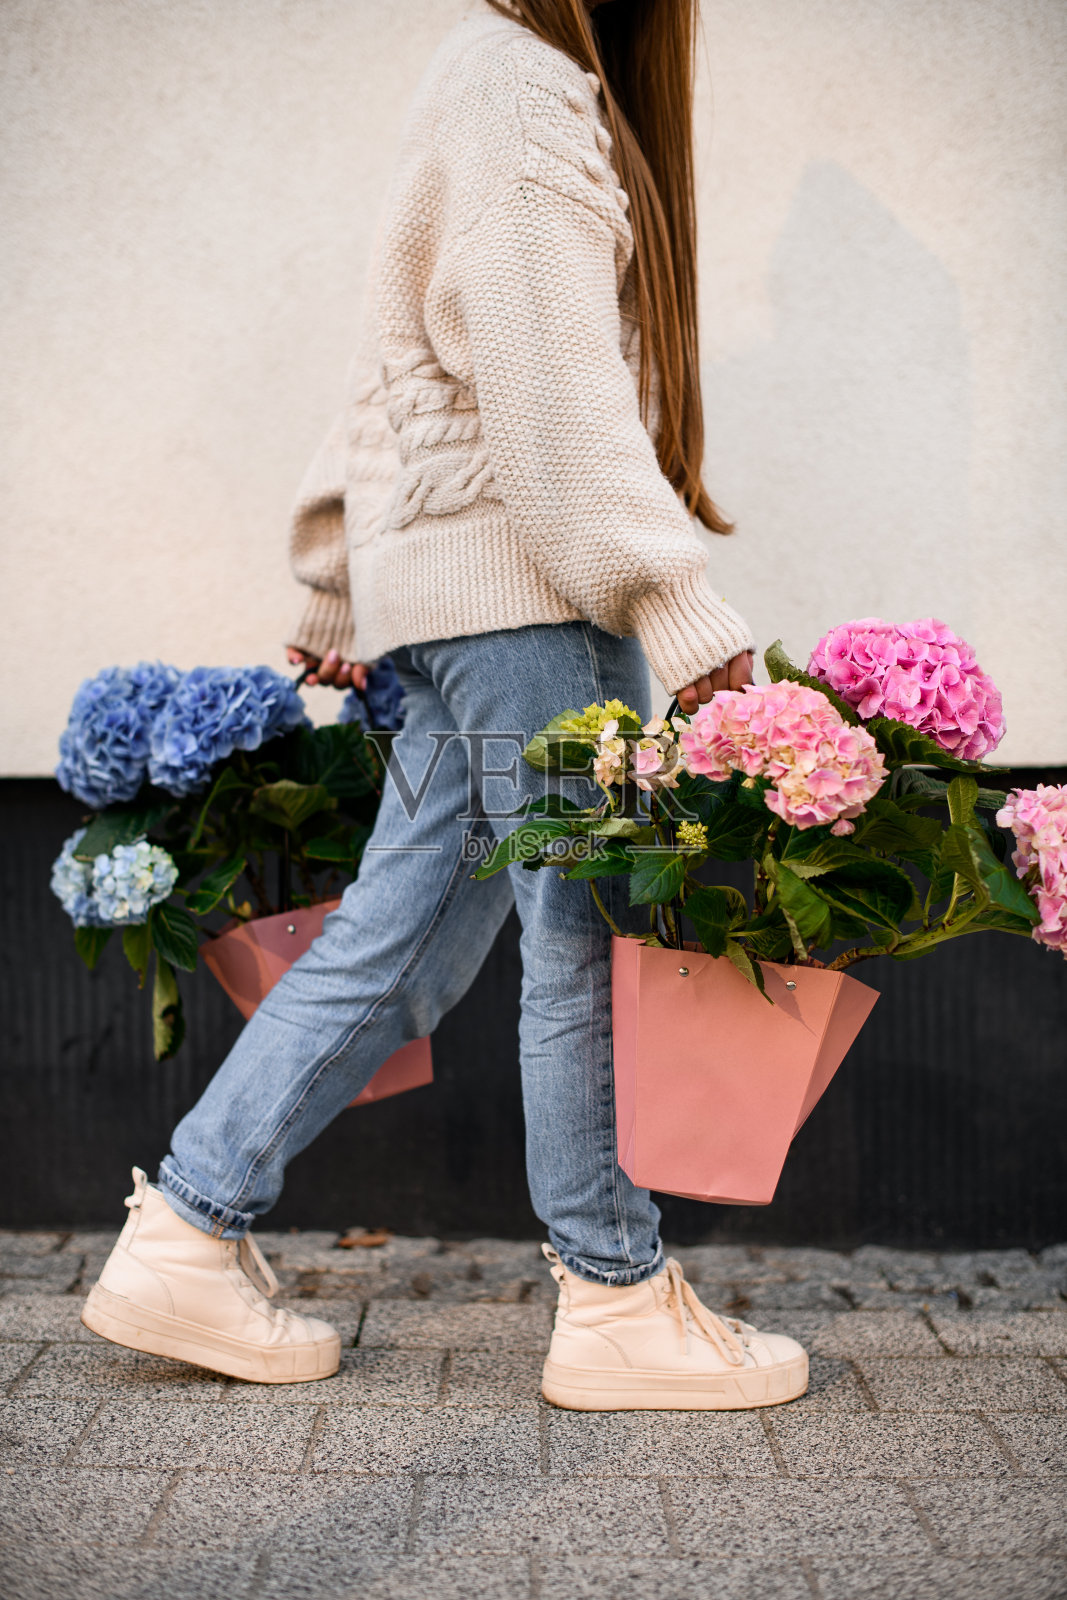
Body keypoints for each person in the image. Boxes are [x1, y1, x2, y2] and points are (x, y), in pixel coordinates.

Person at [82, 0, 807, 1410]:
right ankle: (611, 1300)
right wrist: (680, 609)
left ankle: (186, 1228)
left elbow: (394, 358)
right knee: (579, 930)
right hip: (529, 600)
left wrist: (345, 589)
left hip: (468, 606)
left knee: (402, 930)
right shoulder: (526, 93)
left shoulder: (481, 77)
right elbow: (552, 410)